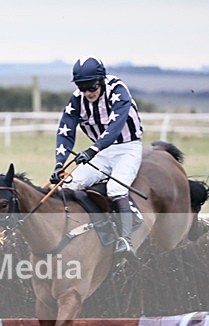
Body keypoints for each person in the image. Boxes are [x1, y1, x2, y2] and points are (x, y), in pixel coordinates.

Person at [50, 57, 144, 259]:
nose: (87, 93)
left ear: (100, 80)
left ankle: (126, 239)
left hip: (127, 148)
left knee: (115, 188)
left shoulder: (118, 90)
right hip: (100, 152)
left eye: (91, 87)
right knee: (70, 184)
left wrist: (92, 150)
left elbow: (115, 127)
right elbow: (65, 131)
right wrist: (59, 164)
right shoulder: (77, 99)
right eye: (81, 88)